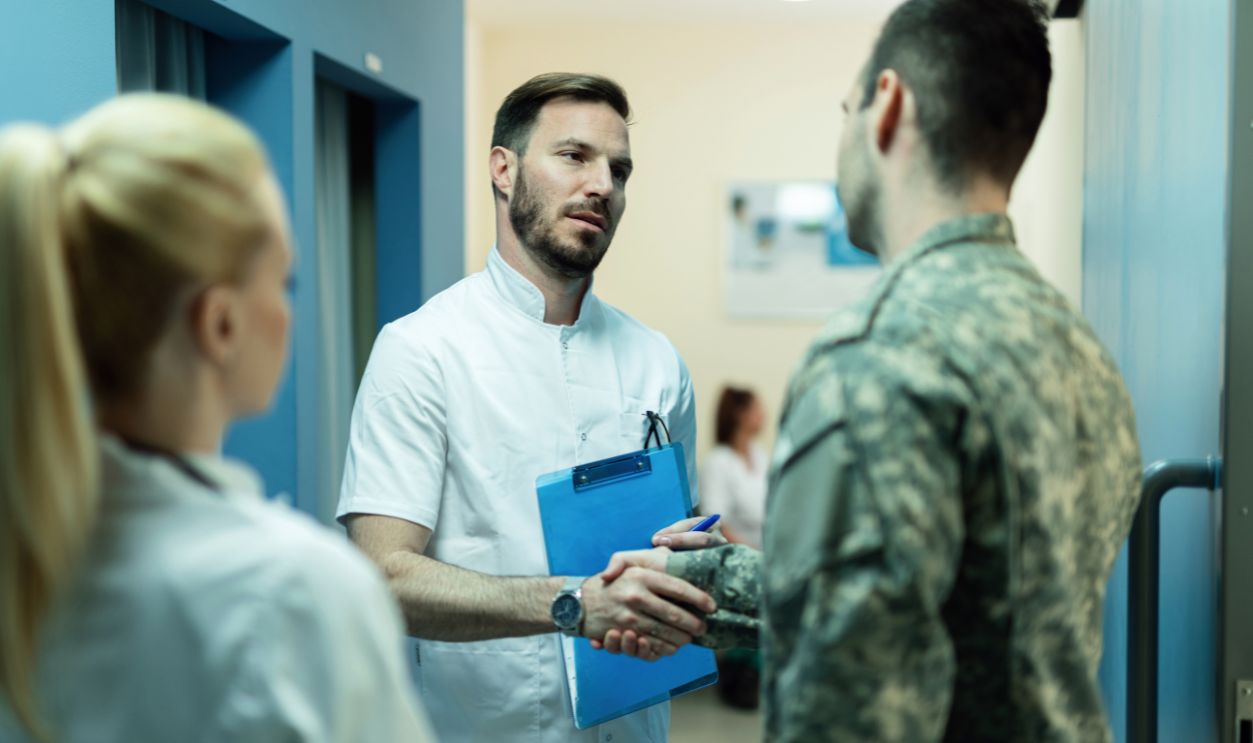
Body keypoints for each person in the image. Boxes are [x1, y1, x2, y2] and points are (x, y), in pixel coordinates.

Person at [598, 1, 1144, 740]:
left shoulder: (879, 352)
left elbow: (842, 703)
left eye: (844, 109)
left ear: (887, 105)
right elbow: (957, 604)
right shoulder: (1080, 351)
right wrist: (712, 581)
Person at [0, 94, 433, 743]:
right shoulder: (293, 593)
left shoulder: (28, 557)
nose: (290, 313)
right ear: (220, 323)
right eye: (283, 281)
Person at [336, 72, 715, 743]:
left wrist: (695, 558)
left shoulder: (657, 362)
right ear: (502, 170)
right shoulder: (422, 350)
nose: (602, 184)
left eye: (618, 168)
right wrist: (573, 604)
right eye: (574, 156)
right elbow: (381, 576)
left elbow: (676, 537)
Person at [700, 386, 768, 549]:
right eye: (757, 408)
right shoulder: (718, 462)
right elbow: (716, 523)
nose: (763, 415)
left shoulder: (760, 455)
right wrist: (752, 554)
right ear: (740, 414)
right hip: (738, 555)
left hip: (768, 552)